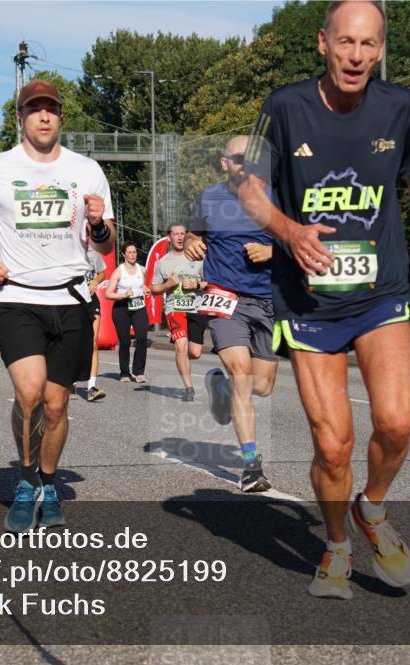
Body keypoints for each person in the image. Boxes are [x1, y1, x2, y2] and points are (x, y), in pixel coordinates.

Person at [239, 0, 410, 599]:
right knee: (333, 447)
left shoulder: (398, 105)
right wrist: (291, 232)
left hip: (381, 291)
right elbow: (249, 190)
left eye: (369, 44)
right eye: (346, 42)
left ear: (380, 50)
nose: (357, 56)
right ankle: (335, 547)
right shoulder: (284, 106)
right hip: (309, 299)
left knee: (396, 424)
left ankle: (371, 508)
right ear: (323, 43)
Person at [0, 79, 116, 533]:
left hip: (71, 297)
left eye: (51, 109)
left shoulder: (87, 170)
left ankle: (49, 481)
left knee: (57, 405)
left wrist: (99, 224)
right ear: (20, 117)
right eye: (34, 109)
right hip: (17, 298)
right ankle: (25, 484)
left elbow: (106, 245)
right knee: (29, 394)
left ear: (60, 116)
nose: (44, 117)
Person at [186, 135, 279, 492]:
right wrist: (193, 242)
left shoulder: (278, 197)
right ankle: (252, 465)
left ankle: (220, 388)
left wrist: (272, 253)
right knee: (241, 374)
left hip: (268, 300)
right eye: (239, 158)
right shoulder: (210, 197)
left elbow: (300, 241)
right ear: (225, 162)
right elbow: (194, 235)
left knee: (263, 386)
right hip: (225, 297)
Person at [150, 224, 207, 402]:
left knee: (195, 352)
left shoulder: (199, 257)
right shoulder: (163, 262)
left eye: (183, 234)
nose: (180, 237)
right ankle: (189, 388)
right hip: (175, 308)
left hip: (196, 308)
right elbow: (154, 289)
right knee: (181, 346)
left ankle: (180, 356)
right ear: (169, 237)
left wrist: (196, 285)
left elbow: (209, 283)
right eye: (176, 234)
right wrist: (168, 284)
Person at [106, 241, 149, 384]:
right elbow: (108, 294)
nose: (132, 255)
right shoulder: (119, 271)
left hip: (139, 306)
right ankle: (124, 372)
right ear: (123, 254)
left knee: (142, 338)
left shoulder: (142, 270)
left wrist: (147, 289)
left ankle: (139, 372)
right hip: (121, 308)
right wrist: (123, 295)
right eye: (129, 252)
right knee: (125, 341)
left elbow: (148, 285)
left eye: (134, 252)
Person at [77, 238, 107, 401]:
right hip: (74, 303)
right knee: (74, 343)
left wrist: (95, 281)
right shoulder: (69, 251)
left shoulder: (93, 253)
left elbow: (102, 273)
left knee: (93, 343)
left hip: (92, 302)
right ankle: (71, 382)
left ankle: (91, 387)